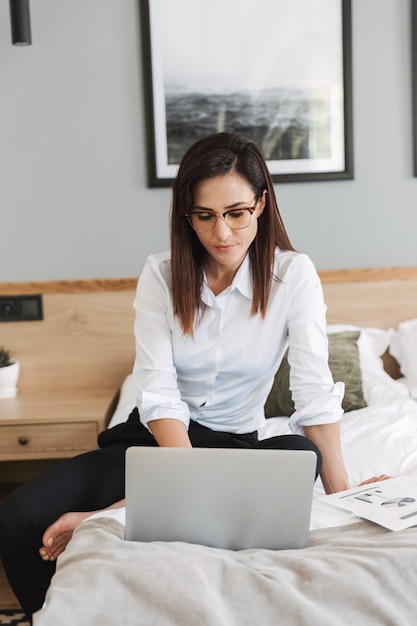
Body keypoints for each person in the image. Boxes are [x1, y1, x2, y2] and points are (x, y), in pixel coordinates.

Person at [0, 132, 386, 623]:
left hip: (236, 445)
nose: (222, 233)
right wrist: (175, 487)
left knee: (298, 455)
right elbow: (158, 393)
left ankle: (110, 513)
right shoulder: (160, 276)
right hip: (158, 441)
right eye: (204, 216)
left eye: (236, 213)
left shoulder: (294, 277)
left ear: (262, 204)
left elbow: (312, 394)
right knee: (18, 516)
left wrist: (346, 500)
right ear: (187, 215)